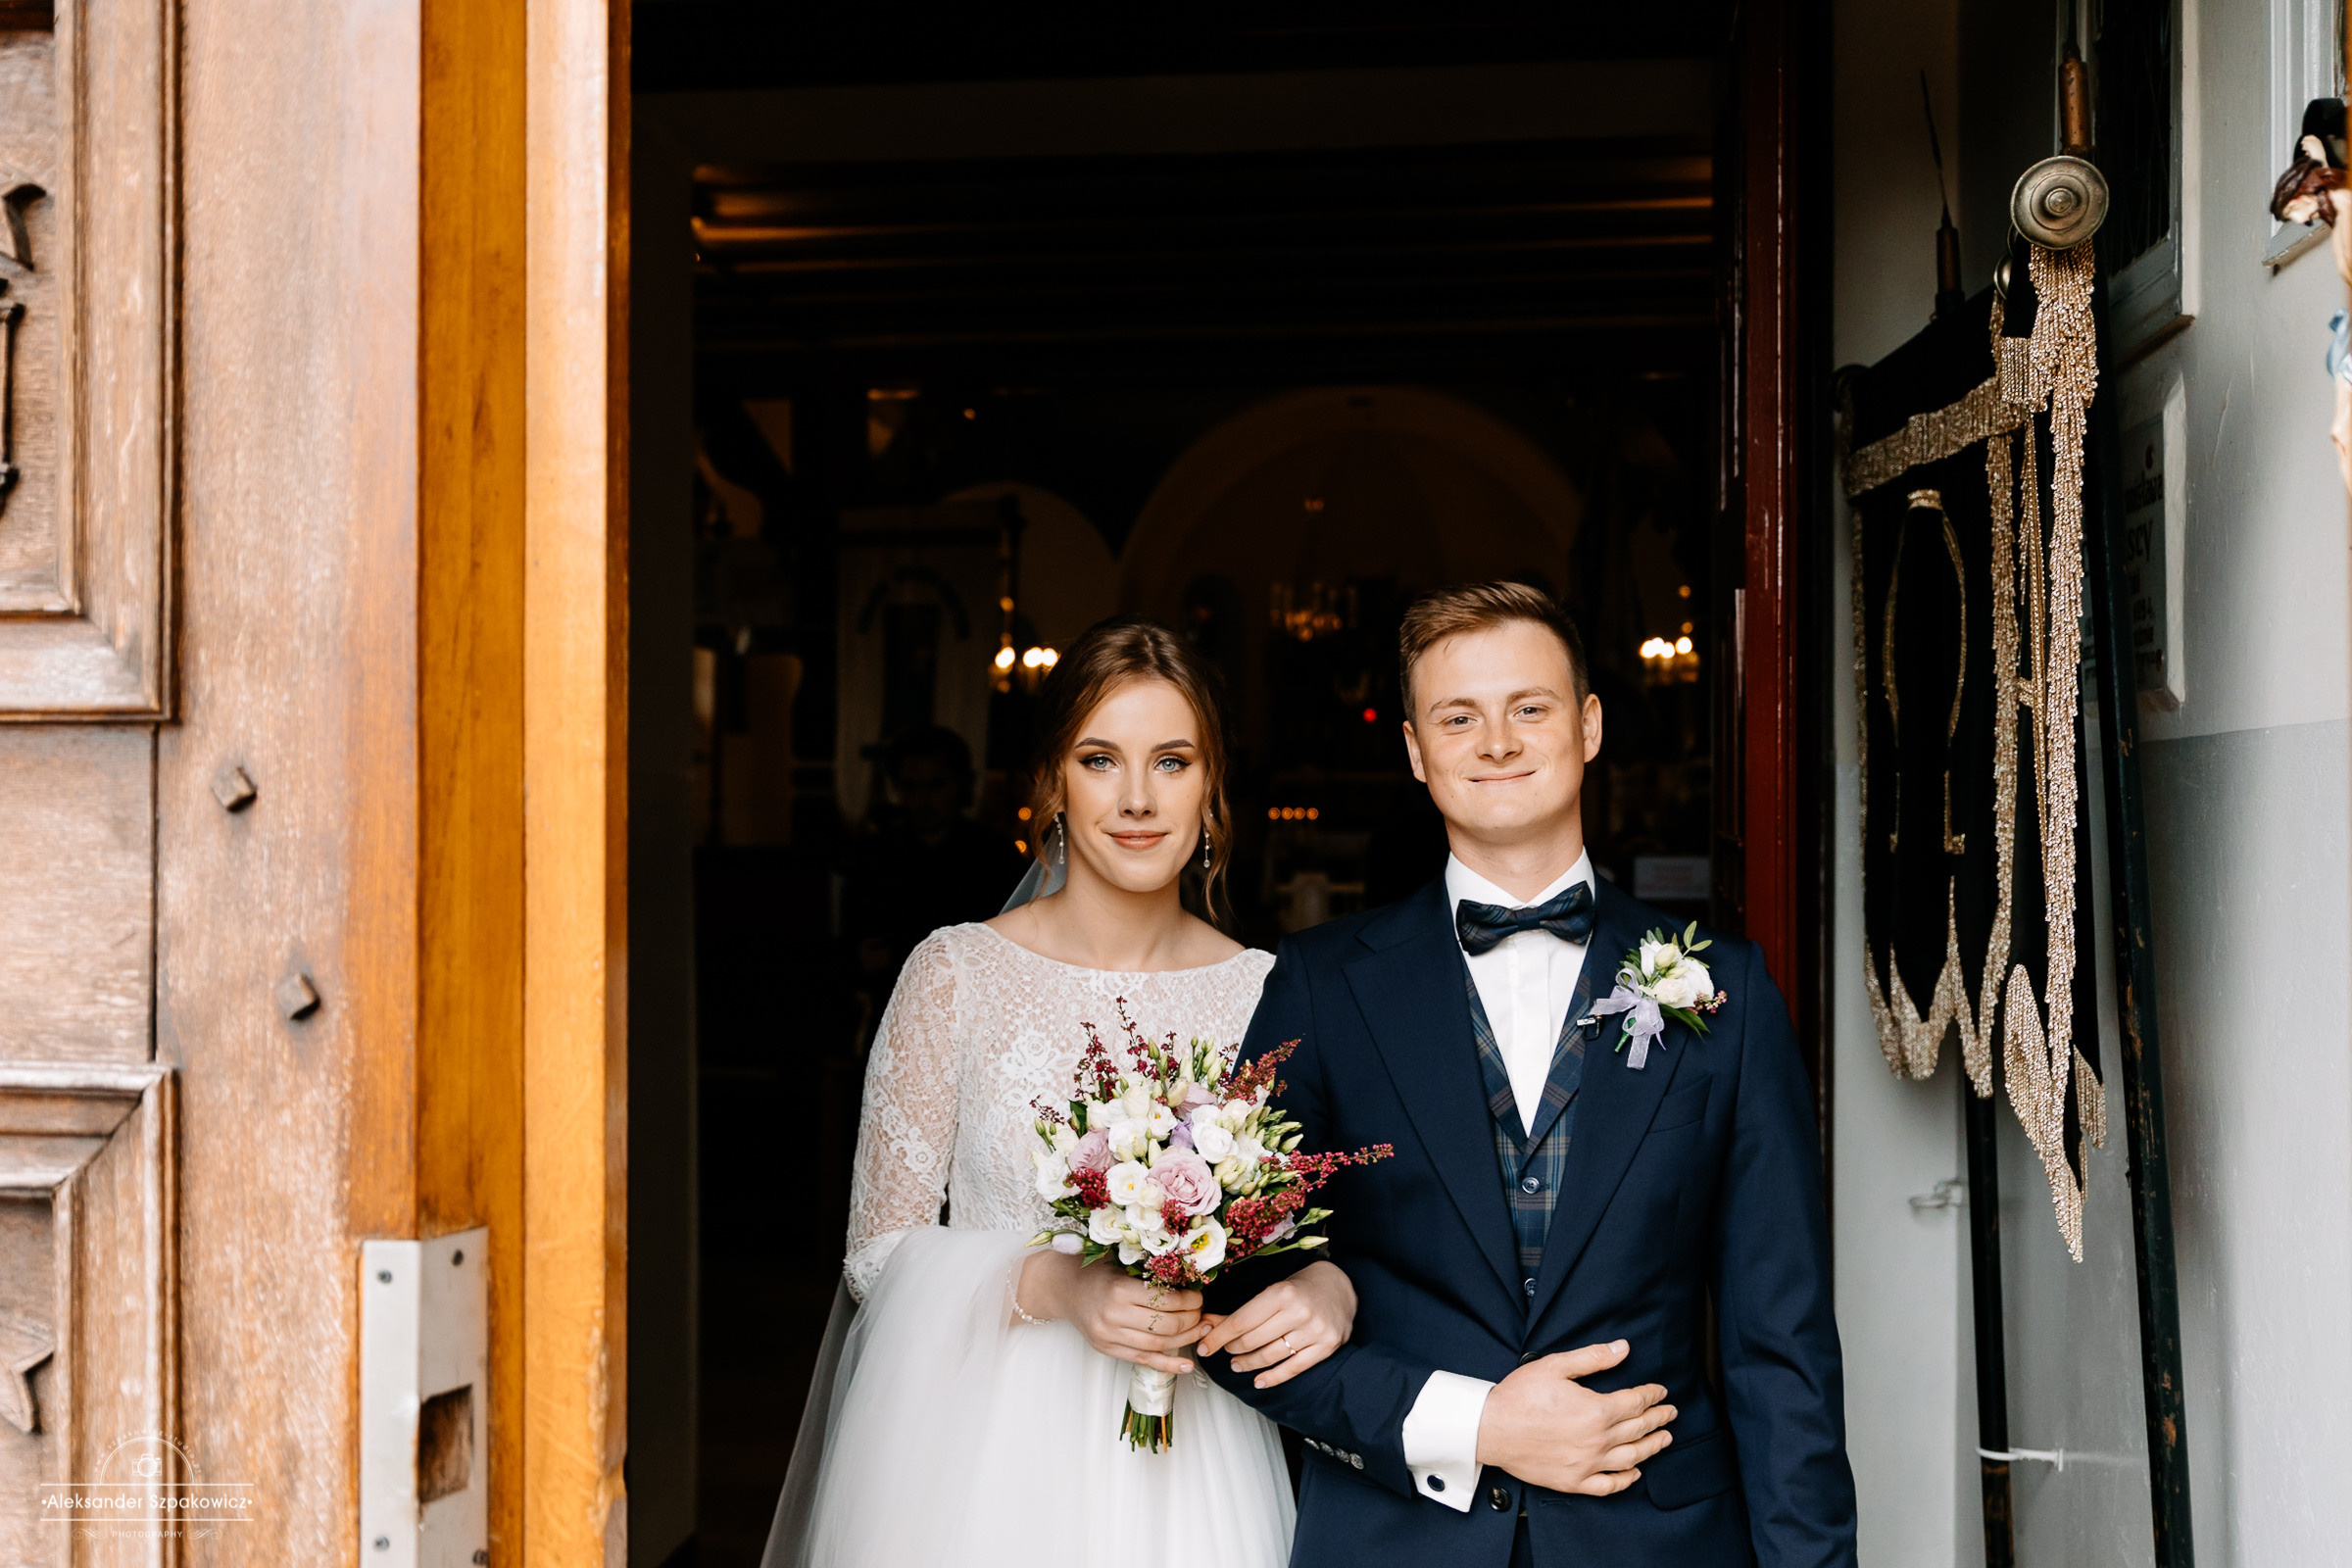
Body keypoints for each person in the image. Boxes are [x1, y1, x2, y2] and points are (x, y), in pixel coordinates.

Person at [1199, 581, 1856, 1567]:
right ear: (1417, 751)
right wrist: (1472, 1425)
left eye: (1530, 708)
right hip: (1395, 1537)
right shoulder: (1321, 988)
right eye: (1459, 717)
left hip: (1659, 1539)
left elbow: (1783, 1345)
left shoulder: (1730, 991)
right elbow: (1234, 1306)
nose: (1497, 742)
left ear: (1588, 726)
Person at [762, 616, 1357, 1567]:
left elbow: (1317, 1229)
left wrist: (1327, 1281)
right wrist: (1058, 1284)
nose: (1135, 798)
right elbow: (877, 1253)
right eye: (1098, 759)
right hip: (985, 1449)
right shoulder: (954, 974)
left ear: (1211, 791)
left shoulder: (1263, 991)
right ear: (1049, 784)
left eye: (1171, 761)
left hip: (1197, 1453)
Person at [840, 723, 1027, 1001]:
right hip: (895, 1008)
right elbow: (852, 945)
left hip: (972, 1010)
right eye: (910, 787)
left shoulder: (995, 857)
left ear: (961, 784)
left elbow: (1012, 951)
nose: (922, 800)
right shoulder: (874, 855)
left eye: (935, 786)